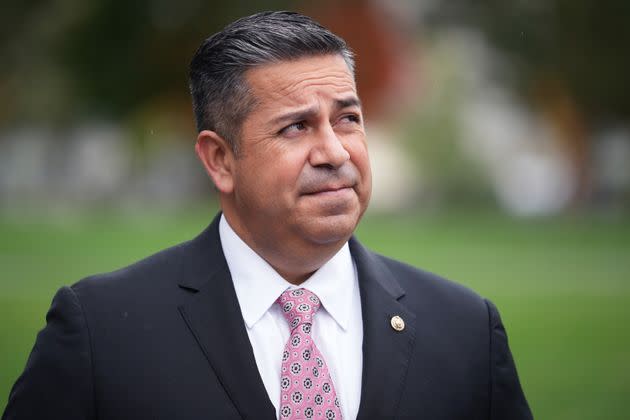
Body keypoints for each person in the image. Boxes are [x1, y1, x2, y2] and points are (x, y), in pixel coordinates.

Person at [2, 11, 532, 420]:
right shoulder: (100, 333)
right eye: (296, 128)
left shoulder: (466, 331)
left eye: (347, 118)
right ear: (220, 160)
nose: (335, 152)